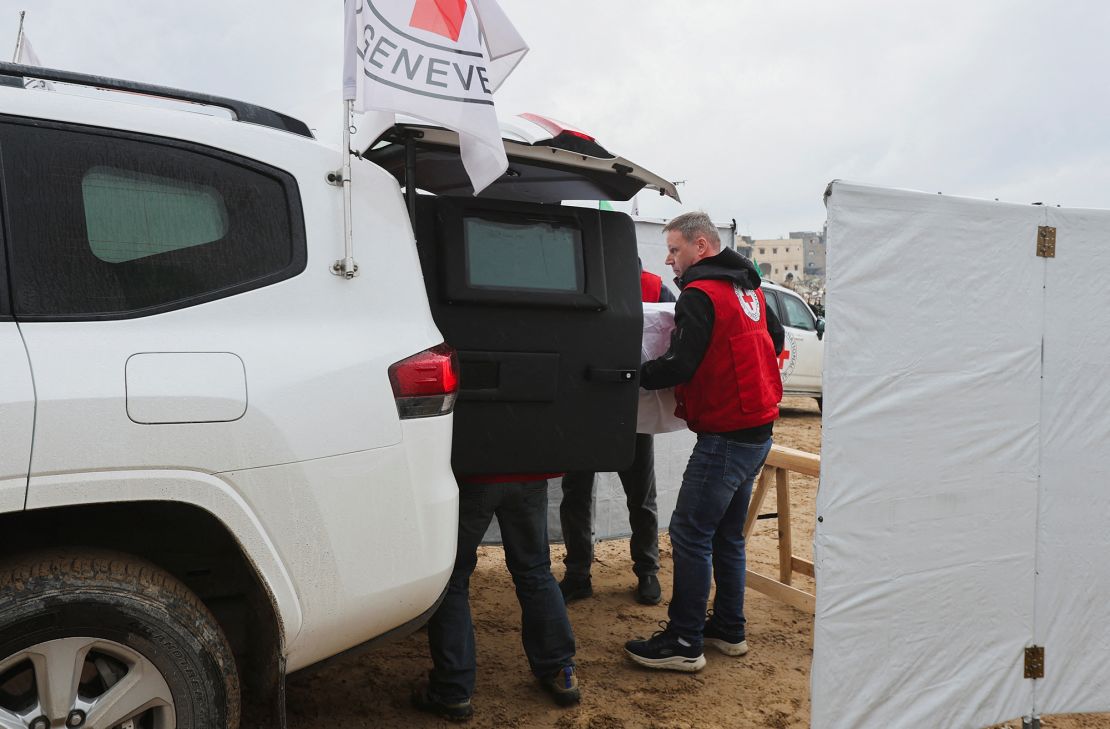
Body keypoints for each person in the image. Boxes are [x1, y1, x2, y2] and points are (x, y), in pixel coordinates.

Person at [624, 211, 784, 672]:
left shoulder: (699, 292)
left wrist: (633, 376)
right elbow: (772, 340)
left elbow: (680, 363)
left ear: (701, 246)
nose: (670, 261)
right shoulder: (747, 287)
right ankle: (729, 629)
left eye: (675, 249)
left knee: (690, 533)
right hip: (757, 428)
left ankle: (684, 640)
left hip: (727, 434)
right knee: (727, 535)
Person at [413, 473, 581, 720]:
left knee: (453, 577)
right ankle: (561, 670)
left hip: (475, 475)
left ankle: (453, 690)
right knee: (535, 571)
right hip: (528, 472)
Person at [558, 261, 675, 606]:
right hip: (583, 406)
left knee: (641, 496)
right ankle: (578, 573)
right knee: (576, 492)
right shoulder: (574, 281)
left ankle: (647, 570)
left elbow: (674, 336)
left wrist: (654, 375)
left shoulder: (654, 287)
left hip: (632, 408)